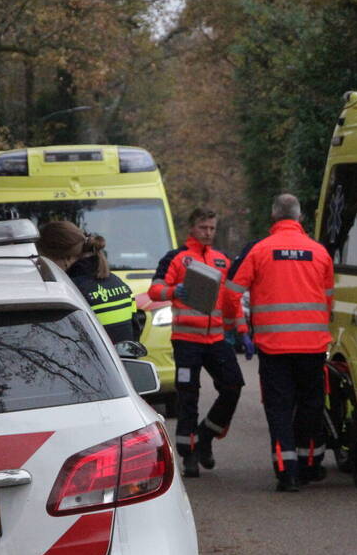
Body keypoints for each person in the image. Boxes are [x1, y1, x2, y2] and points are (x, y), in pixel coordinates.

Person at [224, 194, 334, 492]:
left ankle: (287, 472)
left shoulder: (260, 251)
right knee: (311, 405)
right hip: (313, 346)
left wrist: (240, 328)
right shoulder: (319, 252)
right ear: (299, 218)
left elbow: (231, 293)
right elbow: (329, 302)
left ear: (274, 217)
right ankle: (309, 464)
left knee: (280, 408)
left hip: (274, 347)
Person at [148, 207, 246, 478]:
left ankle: (206, 436)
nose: (209, 233)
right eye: (204, 228)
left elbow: (230, 299)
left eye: (212, 228)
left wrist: (241, 330)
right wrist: (173, 291)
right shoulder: (176, 258)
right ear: (192, 228)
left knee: (233, 385)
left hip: (216, 339)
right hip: (186, 340)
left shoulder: (222, 260)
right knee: (188, 395)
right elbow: (154, 290)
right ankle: (189, 454)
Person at [36, 221, 140, 344]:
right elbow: (134, 333)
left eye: (43, 258)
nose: (40, 265)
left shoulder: (68, 293)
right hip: (121, 362)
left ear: (66, 259)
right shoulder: (119, 283)